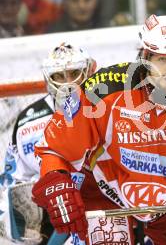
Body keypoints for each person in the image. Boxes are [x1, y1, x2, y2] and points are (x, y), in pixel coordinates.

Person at [32, 14, 166, 244]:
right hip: (104, 197)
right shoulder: (103, 88)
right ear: (145, 56)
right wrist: (57, 185)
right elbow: (54, 150)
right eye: (162, 60)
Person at [0, 43, 95, 244]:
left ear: (89, 71)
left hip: (101, 206)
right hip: (53, 214)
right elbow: (13, 181)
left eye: (74, 73)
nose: (67, 82)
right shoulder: (28, 121)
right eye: (59, 76)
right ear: (48, 78)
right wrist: (21, 223)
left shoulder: (106, 107)